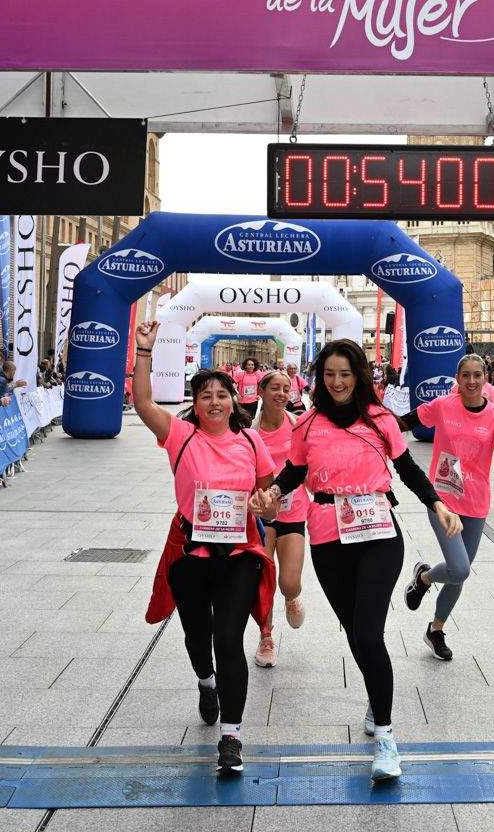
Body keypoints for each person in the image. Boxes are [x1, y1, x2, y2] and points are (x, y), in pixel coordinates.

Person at [265, 339, 462, 781]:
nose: (337, 382)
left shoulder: (379, 420)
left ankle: (387, 738)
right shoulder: (308, 425)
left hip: (377, 533)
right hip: (327, 536)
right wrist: (275, 492)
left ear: (359, 376)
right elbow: (295, 471)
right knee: (356, 632)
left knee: (369, 632)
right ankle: (378, 695)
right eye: (330, 375)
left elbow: (408, 468)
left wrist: (438, 505)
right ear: (320, 378)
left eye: (345, 374)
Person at [131, 322, 276, 775]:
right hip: (191, 553)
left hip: (237, 555)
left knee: (229, 638)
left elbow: (269, 500)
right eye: (206, 395)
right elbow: (141, 403)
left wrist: (263, 503)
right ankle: (206, 681)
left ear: (234, 400)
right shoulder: (181, 436)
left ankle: (231, 736)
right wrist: (144, 352)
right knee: (198, 635)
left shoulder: (251, 441)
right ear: (195, 403)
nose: (215, 401)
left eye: (222, 394)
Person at [399, 354, 494, 661]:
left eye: (478, 375)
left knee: (458, 574)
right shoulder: (443, 405)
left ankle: (435, 628)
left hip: (476, 502)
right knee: (460, 568)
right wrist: (371, 427)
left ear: (486, 378)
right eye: (466, 375)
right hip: (442, 499)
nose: (472, 381)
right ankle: (424, 579)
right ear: (458, 378)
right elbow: (405, 422)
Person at [252, 370, 307, 669]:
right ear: (261, 392)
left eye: (286, 388)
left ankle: (292, 597)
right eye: (275, 388)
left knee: (288, 582)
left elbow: (307, 467)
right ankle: (266, 637)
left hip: (294, 510)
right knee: (264, 581)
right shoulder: (250, 432)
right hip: (262, 515)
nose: (282, 393)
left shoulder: (298, 425)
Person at [233, 357, 265, 421]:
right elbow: (229, 384)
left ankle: (248, 431)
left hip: (253, 401)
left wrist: (259, 394)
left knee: (250, 419)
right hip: (243, 402)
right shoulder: (240, 374)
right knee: (242, 419)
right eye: (249, 365)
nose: (251, 366)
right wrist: (236, 394)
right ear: (245, 366)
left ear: (254, 366)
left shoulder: (257, 374)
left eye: (252, 365)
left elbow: (261, 384)